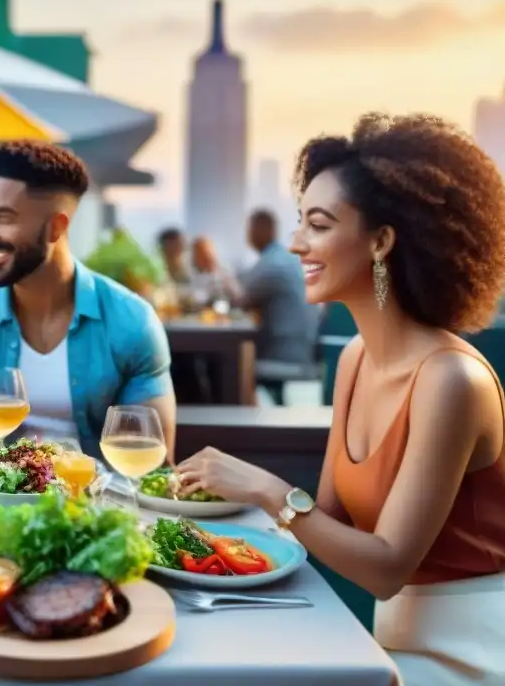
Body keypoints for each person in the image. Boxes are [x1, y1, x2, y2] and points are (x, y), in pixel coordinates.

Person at [176, 113, 505, 684]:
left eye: (319, 225)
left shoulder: (451, 381)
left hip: (470, 655)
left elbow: (385, 568)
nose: (296, 243)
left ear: (381, 241)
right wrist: (201, 538)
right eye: (299, 222)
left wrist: (262, 486)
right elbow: (322, 518)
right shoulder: (355, 357)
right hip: (388, 645)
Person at [0, 140, 176, 461]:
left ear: (55, 227)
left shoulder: (132, 322)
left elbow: (153, 460)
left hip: (96, 505)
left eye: (4, 218)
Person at [237, 209, 316, 402]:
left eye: (251, 229)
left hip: (284, 354)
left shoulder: (273, 263)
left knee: (234, 364)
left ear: (262, 230)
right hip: (302, 349)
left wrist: (215, 267)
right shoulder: (283, 258)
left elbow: (241, 300)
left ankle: (239, 424)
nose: (248, 236)